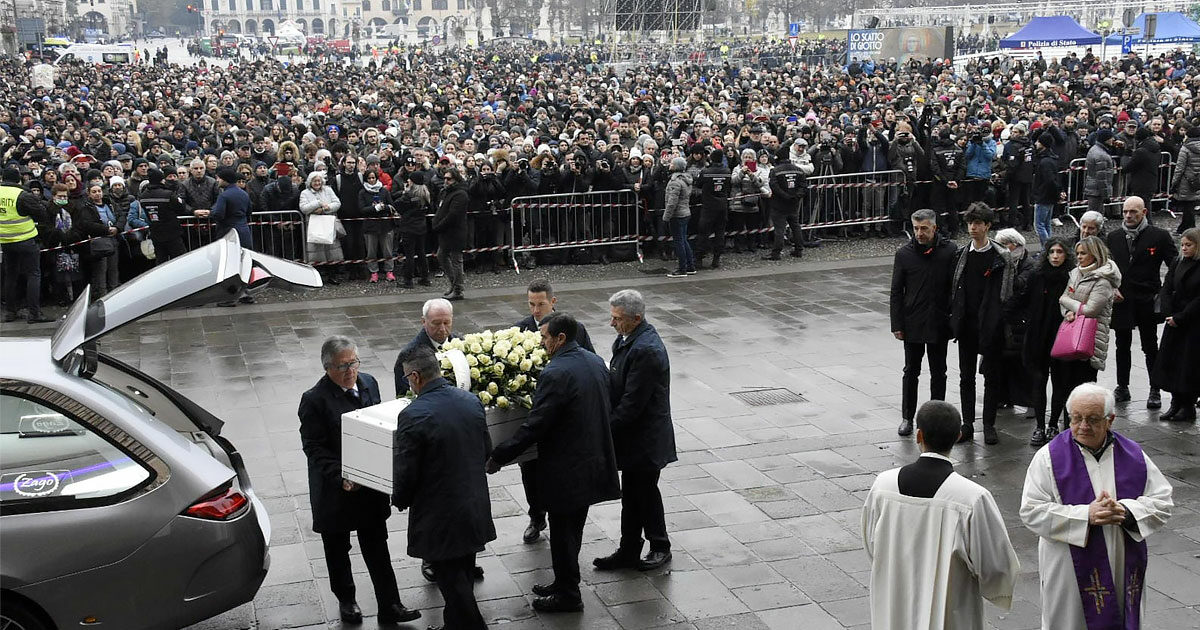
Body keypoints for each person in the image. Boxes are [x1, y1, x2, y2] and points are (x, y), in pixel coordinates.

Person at [487, 313, 621, 612]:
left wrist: (500, 455)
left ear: (561, 339)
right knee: (573, 529)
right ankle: (563, 582)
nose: (541, 341)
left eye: (545, 336)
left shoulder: (556, 372)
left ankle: (568, 596)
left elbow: (536, 425)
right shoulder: (593, 361)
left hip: (566, 468)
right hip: (593, 460)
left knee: (562, 534)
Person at [1019, 383, 1174, 630]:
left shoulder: (1133, 455)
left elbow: (1163, 501)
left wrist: (1127, 511)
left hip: (1122, 561)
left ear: (1109, 420)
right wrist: (1085, 515)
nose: (1082, 426)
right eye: (1076, 418)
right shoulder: (1048, 458)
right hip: (1068, 566)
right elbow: (1031, 510)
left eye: (1092, 419)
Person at [861, 400, 1019, 630]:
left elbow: (871, 545)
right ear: (957, 437)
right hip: (950, 610)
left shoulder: (883, 487)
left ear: (918, 435)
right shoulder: (971, 497)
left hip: (894, 603)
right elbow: (996, 565)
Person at [298, 336, 421, 625]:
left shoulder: (369, 382)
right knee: (338, 548)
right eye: (343, 366)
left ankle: (390, 603)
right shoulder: (314, 399)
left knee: (377, 545)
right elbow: (313, 447)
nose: (351, 370)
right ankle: (346, 600)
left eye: (354, 362)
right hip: (336, 488)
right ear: (328, 367)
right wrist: (341, 475)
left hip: (369, 486)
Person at [393, 345, 494, 630]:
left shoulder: (413, 415)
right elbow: (486, 449)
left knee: (453, 584)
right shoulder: (470, 401)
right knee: (462, 574)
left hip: (439, 516)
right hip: (473, 505)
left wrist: (399, 498)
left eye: (406, 378)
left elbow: (407, 470)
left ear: (415, 376)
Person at [594, 289, 676, 572]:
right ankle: (629, 548)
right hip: (635, 437)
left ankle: (659, 546)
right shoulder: (629, 338)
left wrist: (604, 429)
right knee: (632, 493)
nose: (612, 323)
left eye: (617, 318)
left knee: (644, 492)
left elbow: (632, 404)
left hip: (645, 438)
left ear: (636, 318)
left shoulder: (646, 350)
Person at [512, 279, 595, 544]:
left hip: (561, 412)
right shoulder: (520, 329)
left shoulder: (574, 329)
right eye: (531, 304)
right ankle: (536, 516)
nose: (536, 310)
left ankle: (561, 515)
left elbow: (589, 360)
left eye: (541, 304)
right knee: (529, 468)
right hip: (534, 409)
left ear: (553, 302)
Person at [1105, 196, 1177, 409]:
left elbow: (1174, 267)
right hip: (1122, 300)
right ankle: (1122, 386)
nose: (1128, 216)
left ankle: (1154, 388)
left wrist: (1163, 294)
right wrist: (1111, 287)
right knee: (1122, 344)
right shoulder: (1114, 237)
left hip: (1146, 299)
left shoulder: (1159, 236)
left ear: (1144, 212)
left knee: (1149, 345)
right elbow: (1106, 266)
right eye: (1126, 211)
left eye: (1133, 212)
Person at [890, 209, 956, 436]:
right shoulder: (904, 254)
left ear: (934, 228)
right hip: (913, 321)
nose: (919, 233)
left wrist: (954, 318)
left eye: (924, 228)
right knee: (911, 371)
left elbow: (954, 288)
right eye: (916, 228)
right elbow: (896, 291)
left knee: (939, 371)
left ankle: (936, 417)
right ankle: (907, 417)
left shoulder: (949, 251)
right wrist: (897, 324)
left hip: (939, 321)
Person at [949, 203, 1009, 445]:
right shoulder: (962, 255)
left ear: (988, 226)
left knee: (991, 377)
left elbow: (1006, 291)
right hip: (967, 325)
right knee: (966, 377)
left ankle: (989, 423)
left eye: (978, 223)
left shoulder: (1000, 256)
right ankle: (967, 423)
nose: (973, 228)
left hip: (991, 324)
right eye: (970, 223)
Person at [1022, 237, 1074, 445]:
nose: (1055, 256)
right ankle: (1040, 426)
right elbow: (1024, 298)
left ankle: (1053, 423)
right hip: (1038, 334)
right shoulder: (1037, 275)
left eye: (1059, 252)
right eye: (1052, 252)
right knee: (1039, 380)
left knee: (1060, 382)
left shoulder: (1071, 277)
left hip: (1061, 334)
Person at [1151, 227, 1200, 422]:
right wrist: (1168, 313)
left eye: (1189, 245)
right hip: (1175, 320)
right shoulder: (1177, 262)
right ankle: (1175, 402)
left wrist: (1181, 316)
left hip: (1192, 322)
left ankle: (1187, 404)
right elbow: (1167, 286)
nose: (1184, 248)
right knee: (1171, 362)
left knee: (1188, 365)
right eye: (1182, 245)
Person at [1, 166, 53, 323]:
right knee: (33, 274)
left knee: (10, 275)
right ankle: (34, 313)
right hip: (25, 239)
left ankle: (10, 312)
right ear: (18, 179)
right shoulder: (22, 194)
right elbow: (42, 213)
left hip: (5, 240)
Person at [393, 297, 457, 396]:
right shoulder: (409, 354)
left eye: (446, 323)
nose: (442, 329)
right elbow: (403, 395)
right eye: (436, 323)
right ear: (423, 321)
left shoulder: (461, 343)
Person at [299, 171, 345, 285]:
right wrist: (318, 203)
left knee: (331, 251)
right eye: (315, 181)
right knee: (316, 252)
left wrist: (325, 208)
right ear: (310, 182)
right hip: (315, 225)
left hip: (328, 223)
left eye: (319, 180)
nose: (317, 183)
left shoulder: (328, 190)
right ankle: (317, 277)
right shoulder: (305, 193)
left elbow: (337, 203)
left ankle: (332, 275)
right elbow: (304, 208)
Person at [763, 151, 806, 261]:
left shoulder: (775, 171)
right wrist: (796, 196)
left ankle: (776, 253)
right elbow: (803, 186)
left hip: (779, 204)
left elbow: (774, 186)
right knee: (795, 227)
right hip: (794, 203)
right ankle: (798, 249)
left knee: (779, 230)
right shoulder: (799, 170)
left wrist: (785, 196)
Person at [434, 168, 468, 300]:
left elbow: (453, 215)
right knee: (441, 256)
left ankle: (458, 289)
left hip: (455, 232)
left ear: (456, 179)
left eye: (449, 179)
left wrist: (439, 225)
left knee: (456, 261)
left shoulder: (460, 194)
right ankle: (454, 283)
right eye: (445, 179)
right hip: (445, 232)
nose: (446, 181)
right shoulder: (445, 192)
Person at [357, 169, 397, 283]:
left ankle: (389, 270)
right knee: (371, 251)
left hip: (385, 225)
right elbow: (362, 209)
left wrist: (384, 207)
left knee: (387, 250)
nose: (371, 180)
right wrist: (374, 208)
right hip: (370, 226)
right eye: (369, 178)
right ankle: (373, 272)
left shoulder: (383, 191)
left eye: (373, 178)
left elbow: (391, 205)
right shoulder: (362, 192)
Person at [694, 149, 731, 269]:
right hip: (722, 205)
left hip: (708, 205)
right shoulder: (727, 171)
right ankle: (716, 259)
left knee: (703, 233)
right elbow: (728, 186)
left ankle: (699, 258)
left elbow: (698, 184)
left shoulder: (706, 171)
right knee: (720, 233)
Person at [662, 157, 695, 278]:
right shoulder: (686, 179)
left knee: (679, 241)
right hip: (685, 212)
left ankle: (682, 268)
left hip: (677, 215)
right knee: (684, 240)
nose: (670, 164)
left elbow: (672, 202)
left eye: (672, 163)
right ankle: (690, 265)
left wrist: (666, 216)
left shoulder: (675, 181)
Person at [1170, 126, 1200, 233]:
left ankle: (1188, 229)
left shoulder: (1185, 148)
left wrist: (1174, 183)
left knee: (1188, 207)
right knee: (1191, 205)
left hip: (1186, 181)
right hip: (1198, 181)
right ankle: (1185, 228)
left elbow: (1179, 168)